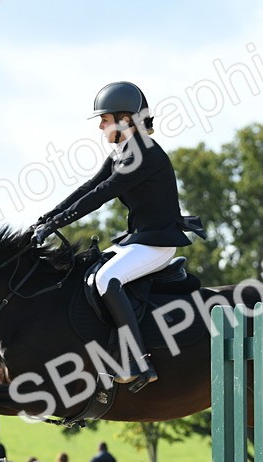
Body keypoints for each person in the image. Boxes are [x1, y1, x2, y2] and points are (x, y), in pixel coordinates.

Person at [32, 81, 205, 393]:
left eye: (104, 119)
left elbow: (103, 193)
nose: (100, 126)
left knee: (106, 279)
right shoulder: (123, 151)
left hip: (157, 243)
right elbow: (88, 187)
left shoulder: (144, 153)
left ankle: (137, 361)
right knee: (89, 274)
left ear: (125, 120)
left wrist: (58, 222)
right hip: (139, 239)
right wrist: (47, 219)